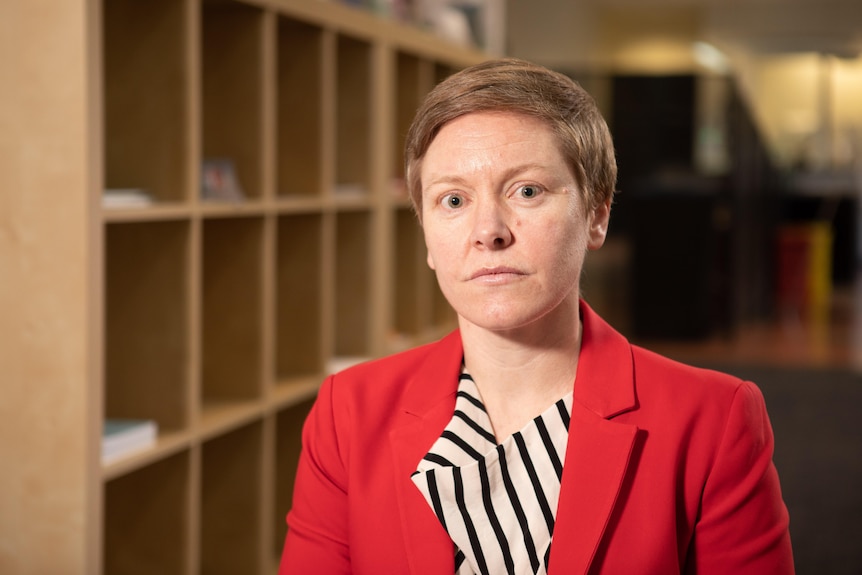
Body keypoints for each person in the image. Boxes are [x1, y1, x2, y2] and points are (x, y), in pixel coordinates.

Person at [279, 58, 794, 574]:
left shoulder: (713, 421)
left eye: (526, 191)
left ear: (597, 215)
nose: (489, 231)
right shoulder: (347, 412)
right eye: (452, 199)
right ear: (427, 236)